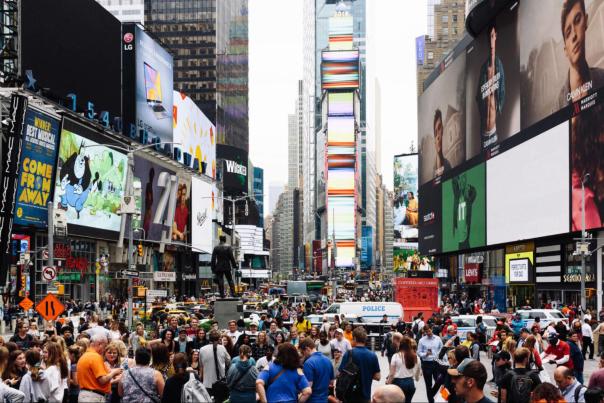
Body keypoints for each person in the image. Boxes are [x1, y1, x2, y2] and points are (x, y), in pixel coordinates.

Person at [476, 22, 505, 149]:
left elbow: (502, 90)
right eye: (489, 37)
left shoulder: (499, 66)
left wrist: (498, 108)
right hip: (483, 133)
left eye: (493, 36)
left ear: (496, 36)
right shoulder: (484, 69)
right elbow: (478, 96)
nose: (491, 39)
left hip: (493, 132)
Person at [77, 334, 123, 403]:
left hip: (86, 395)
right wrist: (114, 372)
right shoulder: (95, 357)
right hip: (93, 397)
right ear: (100, 344)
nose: (104, 350)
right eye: (105, 346)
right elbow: (102, 380)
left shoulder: (85, 355)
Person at [339, 327, 381, 403]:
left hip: (349, 396)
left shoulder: (349, 354)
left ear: (354, 338)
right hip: (365, 396)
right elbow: (378, 377)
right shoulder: (372, 355)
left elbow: (340, 373)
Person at [300, 338, 333, 403]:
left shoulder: (308, 363)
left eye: (303, 352)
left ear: (307, 349)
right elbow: (331, 382)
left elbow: (308, 388)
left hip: (312, 400)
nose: (303, 355)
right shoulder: (328, 360)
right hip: (324, 399)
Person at [387, 336, 420, 403]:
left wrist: (388, 383)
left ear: (400, 345)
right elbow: (417, 373)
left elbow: (392, 374)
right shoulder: (416, 357)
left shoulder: (396, 356)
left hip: (398, 383)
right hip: (410, 383)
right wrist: (416, 378)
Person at [200, 330, 230, 397]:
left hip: (207, 383)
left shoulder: (202, 349)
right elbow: (229, 361)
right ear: (219, 338)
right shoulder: (222, 348)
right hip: (221, 382)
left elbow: (201, 365)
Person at [418, 325, 443, 403]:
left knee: (439, 382)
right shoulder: (422, 340)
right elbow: (418, 352)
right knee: (428, 384)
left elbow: (442, 349)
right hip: (426, 364)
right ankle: (431, 401)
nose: (428, 333)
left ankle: (431, 394)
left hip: (436, 362)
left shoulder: (438, 338)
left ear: (432, 329)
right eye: (426, 332)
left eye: (429, 331)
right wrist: (425, 354)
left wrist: (442, 359)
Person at [432, 109, 452, 178]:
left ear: (442, 129)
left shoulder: (448, 164)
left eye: (439, 127)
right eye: (435, 132)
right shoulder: (433, 170)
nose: (438, 135)